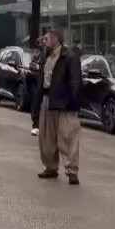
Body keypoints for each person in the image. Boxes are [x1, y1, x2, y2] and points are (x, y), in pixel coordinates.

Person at [34, 29, 82, 185]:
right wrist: (36, 106)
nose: (44, 41)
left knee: (67, 137)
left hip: (63, 102)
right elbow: (41, 81)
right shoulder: (45, 57)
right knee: (46, 138)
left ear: (56, 39)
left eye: (47, 38)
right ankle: (50, 167)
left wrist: (73, 102)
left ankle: (72, 171)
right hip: (47, 100)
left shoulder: (69, 57)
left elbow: (75, 81)